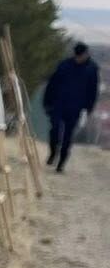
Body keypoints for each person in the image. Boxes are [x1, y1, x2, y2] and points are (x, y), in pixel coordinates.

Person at [43, 42, 98, 172]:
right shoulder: (64, 65)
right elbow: (52, 83)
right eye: (78, 56)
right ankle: (53, 151)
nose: (80, 59)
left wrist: (89, 107)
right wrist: (47, 101)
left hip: (75, 107)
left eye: (82, 56)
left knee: (68, 135)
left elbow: (93, 90)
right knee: (55, 129)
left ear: (86, 54)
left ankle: (61, 162)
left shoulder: (92, 69)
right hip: (59, 103)